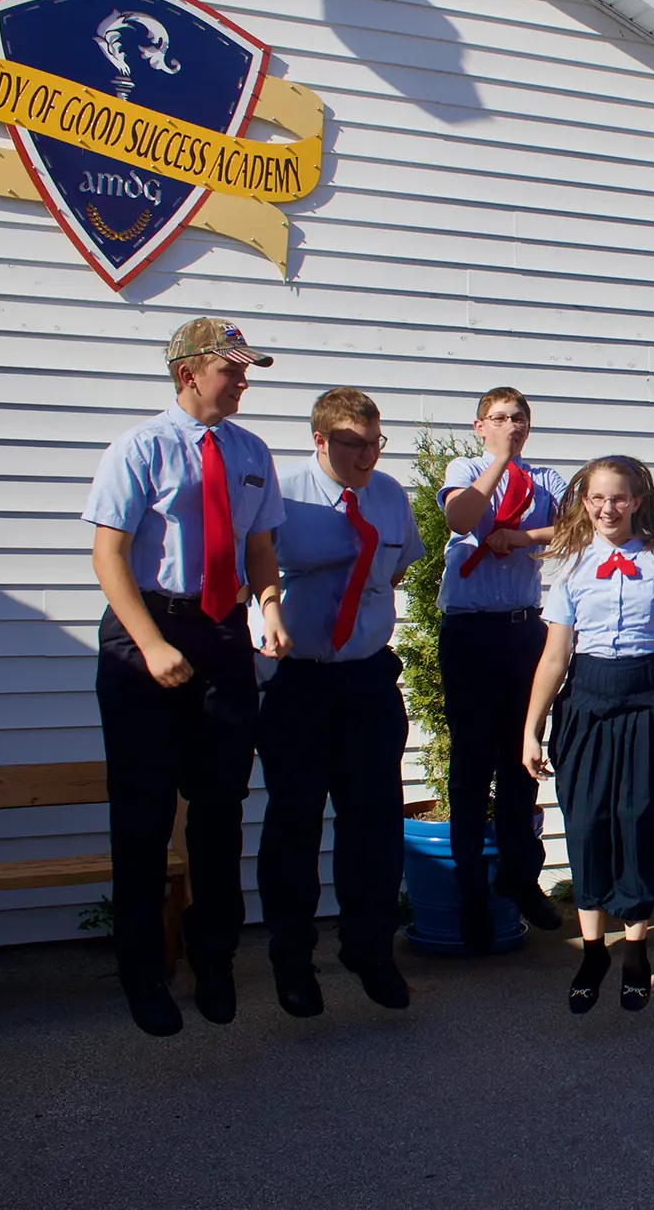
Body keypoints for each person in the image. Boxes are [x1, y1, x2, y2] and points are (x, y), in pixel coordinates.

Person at [83, 318, 289, 1036]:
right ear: (188, 372)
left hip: (224, 635)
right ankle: (143, 972)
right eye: (231, 369)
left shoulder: (250, 451)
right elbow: (108, 554)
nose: (242, 381)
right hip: (149, 630)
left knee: (220, 808)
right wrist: (149, 644)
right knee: (142, 817)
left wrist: (269, 608)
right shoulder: (140, 448)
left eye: (245, 369)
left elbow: (260, 545)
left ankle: (215, 958)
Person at [257, 388, 423, 1018]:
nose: (368, 456)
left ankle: (370, 949)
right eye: (354, 443)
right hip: (298, 680)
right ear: (320, 440)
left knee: (374, 820)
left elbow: (395, 568)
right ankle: (293, 960)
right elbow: (258, 570)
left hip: (366, 680)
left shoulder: (386, 494)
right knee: (294, 822)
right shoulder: (283, 494)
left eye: (376, 442)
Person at [523, 456, 654, 1014]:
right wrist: (531, 729)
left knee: (640, 820)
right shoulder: (572, 567)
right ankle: (593, 950)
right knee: (587, 821)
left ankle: (635, 951)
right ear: (584, 502)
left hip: (649, 698)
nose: (607, 508)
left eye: (619, 498)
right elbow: (555, 656)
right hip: (588, 701)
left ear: (637, 501)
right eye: (597, 498)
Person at [436, 388, 567, 951]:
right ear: (480, 426)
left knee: (522, 757)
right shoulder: (466, 467)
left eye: (519, 419)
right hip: (469, 628)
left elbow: (571, 533)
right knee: (471, 765)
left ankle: (520, 874)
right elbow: (461, 517)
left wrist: (523, 536)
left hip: (521, 627)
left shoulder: (548, 480)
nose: (511, 425)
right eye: (500, 418)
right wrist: (498, 463)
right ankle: (468, 894)